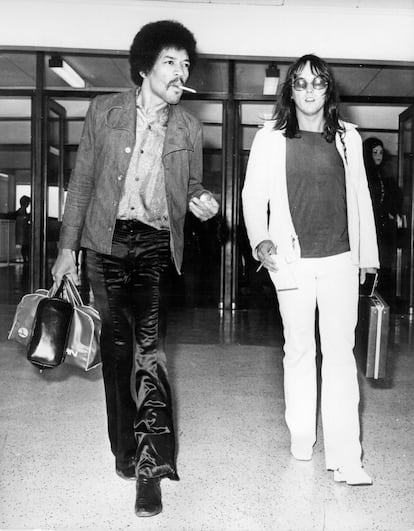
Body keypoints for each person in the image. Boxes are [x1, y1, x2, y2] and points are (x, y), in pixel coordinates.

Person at [51, 20, 219, 518]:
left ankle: (151, 468)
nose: (181, 71)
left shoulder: (188, 125)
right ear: (145, 66)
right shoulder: (104, 111)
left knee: (149, 350)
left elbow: (188, 187)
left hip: (153, 246)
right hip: (104, 243)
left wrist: (201, 199)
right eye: (171, 61)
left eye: (186, 64)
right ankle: (123, 448)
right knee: (117, 350)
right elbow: (81, 183)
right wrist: (67, 249)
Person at [242, 54, 379, 486]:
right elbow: (252, 195)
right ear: (290, 90)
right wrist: (261, 238)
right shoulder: (271, 137)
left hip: (340, 260)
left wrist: (368, 258)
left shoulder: (348, 139)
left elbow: (360, 199)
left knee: (340, 356)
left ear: (327, 91)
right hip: (292, 261)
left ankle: (346, 456)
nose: (308, 92)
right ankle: (302, 435)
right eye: (299, 84)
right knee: (299, 350)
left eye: (317, 84)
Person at [363, 137, 402, 294]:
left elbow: (394, 196)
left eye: (380, 152)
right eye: (374, 152)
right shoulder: (363, 174)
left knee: (383, 265)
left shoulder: (384, 175)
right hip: (368, 226)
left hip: (383, 227)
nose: (378, 156)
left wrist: (394, 213)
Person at [14, 195, 31, 263]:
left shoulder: (21, 210)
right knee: (25, 246)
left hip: (22, 232)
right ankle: (25, 259)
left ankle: (25, 259)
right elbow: (24, 219)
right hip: (23, 232)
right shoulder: (22, 211)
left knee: (24, 246)